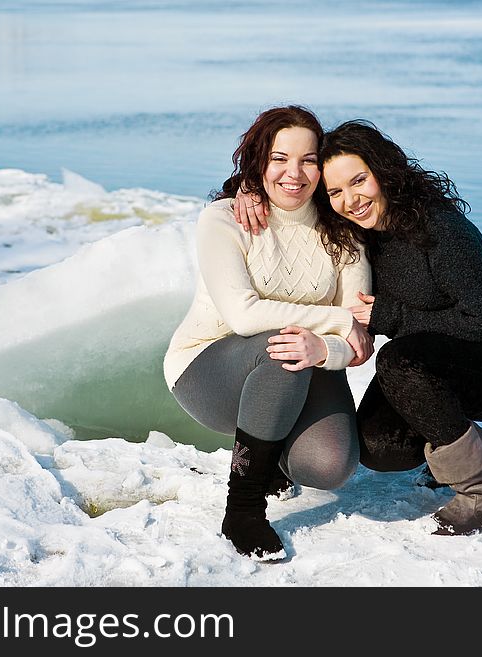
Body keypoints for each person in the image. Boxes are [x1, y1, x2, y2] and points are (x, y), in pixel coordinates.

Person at [236, 119, 482, 536]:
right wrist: (249, 188)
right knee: (378, 448)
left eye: (359, 180)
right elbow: (291, 190)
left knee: (399, 358)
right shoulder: (356, 234)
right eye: (335, 191)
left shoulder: (440, 231)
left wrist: (391, 318)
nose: (351, 200)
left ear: (383, 172)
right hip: (440, 359)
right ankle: (454, 437)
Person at [163, 106, 374, 560]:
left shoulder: (346, 235)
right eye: (279, 158)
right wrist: (337, 322)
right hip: (208, 368)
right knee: (282, 344)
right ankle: (242, 509)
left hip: (303, 362)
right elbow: (242, 316)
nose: (293, 174)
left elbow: (359, 345)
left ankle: (272, 448)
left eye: (308, 160)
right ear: (259, 161)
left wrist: (326, 350)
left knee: (329, 466)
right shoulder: (225, 219)